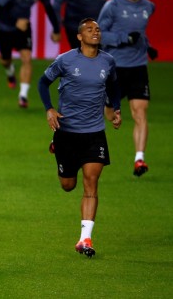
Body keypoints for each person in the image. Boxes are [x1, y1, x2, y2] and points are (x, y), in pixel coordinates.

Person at [37, 18, 122, 258]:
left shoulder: (108, 61)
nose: (95, 32)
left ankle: (85, 238)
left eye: (97, 29)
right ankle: (57, 147)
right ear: (79, 36)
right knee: (68, 185)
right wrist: (49, 109)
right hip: (67, 131)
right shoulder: (65, 60)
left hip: (94, 133)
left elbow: (114, 85)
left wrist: (115, 108)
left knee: (91, 183)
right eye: (89, 30)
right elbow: (43, 83)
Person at [97, 0, 156, 177]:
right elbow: (99, 34)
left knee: (140, 112)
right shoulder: (112, 6)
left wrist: (147, 46)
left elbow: (140, 33)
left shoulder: (148, 7)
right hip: (116, 68)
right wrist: (123, 38)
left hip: (139, 67)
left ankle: (139, 159)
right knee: (110, 114)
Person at [0, 0, 61, 108]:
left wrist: (56, 29)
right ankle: (9, 71)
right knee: (5, 60)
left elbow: (49, 8)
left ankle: (23, 96)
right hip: (4, 27)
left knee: (27, 58)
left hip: (24, 27)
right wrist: (15, 22)